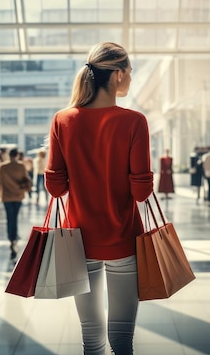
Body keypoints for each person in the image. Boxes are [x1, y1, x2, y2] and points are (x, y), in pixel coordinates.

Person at [45, 42, 153, 355]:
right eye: (130, 72)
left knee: (91, 339)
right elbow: (141, 193)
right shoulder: (134, 122)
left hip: (79, 240)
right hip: (123, 239)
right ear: (118, 75)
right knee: (121, 340)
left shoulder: (62, 120)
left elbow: (55, 189)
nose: (131, 78)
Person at [0, 148, 32, 259]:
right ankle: (14, 237)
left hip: (7, 196)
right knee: (15, 217)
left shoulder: (3, 166)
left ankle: (11, 237)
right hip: (18, 195)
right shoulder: (21, 166)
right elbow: (26, 180)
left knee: (9, 218)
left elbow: (0, 182)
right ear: (17, 155)